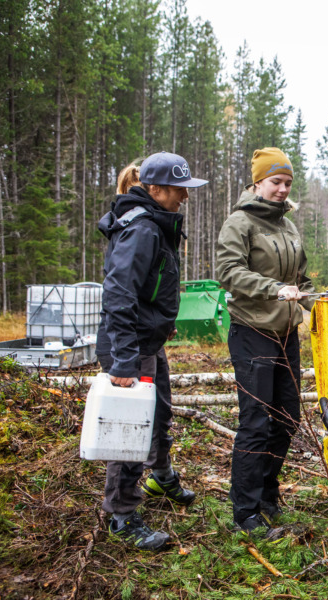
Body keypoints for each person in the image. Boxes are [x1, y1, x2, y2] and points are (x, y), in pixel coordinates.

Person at [97, 152, 208, 550]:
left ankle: (162, 476)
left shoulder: (157, 223)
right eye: (180, 189)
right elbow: (118, 293)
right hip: (129, 346)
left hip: (147, 340)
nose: (185, 196)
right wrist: (125, 361)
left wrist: (161, 320)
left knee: (158, 414)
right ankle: (122, 515)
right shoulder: (142, 229)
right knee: (130, 430)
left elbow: (149, 286)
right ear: (156, 189)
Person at [215, 147, 315, 537]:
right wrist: (274, 289)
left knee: (287, 419)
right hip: (252, 333)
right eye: (276, 181)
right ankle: (246, 512)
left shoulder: (287, 226)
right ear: (258, 182)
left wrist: (319, 303)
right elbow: (228, 272)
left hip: (286, 335)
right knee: (255, 423)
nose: (282, 189)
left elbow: (300, 280)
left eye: (287, 182)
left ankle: (267, 496)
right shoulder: (239, 223)